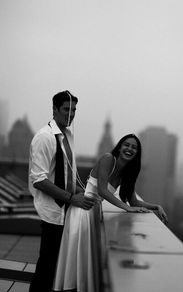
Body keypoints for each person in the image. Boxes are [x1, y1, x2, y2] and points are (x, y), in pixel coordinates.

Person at [53, 133, 168, 292]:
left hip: (94, 214)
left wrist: (155, 207)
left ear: (137, 153)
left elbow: (134, 201)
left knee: (84, 263)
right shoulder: (108, 159)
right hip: (82, 213)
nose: (130, 149)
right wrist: (126, 208)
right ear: (120, 146)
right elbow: (102, 190)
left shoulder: (127, 172)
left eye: (134, 147)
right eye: (127, 145)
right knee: (75, 262)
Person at [28, 90, 96, 292]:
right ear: (55, 109)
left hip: (65, 211)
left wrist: (84, 193)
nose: (71, 114)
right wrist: (71, 198)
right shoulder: (44, 137)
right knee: (47, 266)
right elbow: (39, 180)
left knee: (56, 265)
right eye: (67, 109)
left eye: (74, 110)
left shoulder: (66, 135)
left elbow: (66, 174)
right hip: (52, 212)